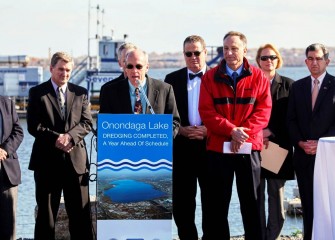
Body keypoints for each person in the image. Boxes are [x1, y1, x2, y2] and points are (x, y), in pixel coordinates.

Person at [198, 31, 272, 240]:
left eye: (234, 48)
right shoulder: (210, 77)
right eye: (225, 49)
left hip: (249, 149)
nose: (229, 53)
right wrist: (231, 130)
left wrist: (241, 135)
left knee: (253, 203)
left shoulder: (258, 77)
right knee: (217, 205)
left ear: (245, 50)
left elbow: (263, 112)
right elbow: (207, 112)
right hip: (218, 149)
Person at [27, 51, 94, 240]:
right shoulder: (37, 93)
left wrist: (70, 137)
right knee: (46, 219)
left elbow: (87, 123)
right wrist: (58, 139)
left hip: (76, 164)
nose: (64, 74)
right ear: (51, 69)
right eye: (61, 69)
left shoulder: (81, 93)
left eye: (68, 70)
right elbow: (34, 126)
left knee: (80, 218)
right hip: (47, 164)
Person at [287, 43, 335, 240]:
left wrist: (321, 143)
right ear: (306, 61)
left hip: (329, 157)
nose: (314, 63)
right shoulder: (297, 87)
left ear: (327, 61)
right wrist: (300, 143)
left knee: (330, 203)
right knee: (307, 204)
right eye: (310, 59)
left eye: (318, 58)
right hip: (303, 156)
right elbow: (290, 120)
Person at [164, 35, 209, 240]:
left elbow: (227, 114)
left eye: (197, 52)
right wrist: (180, 130)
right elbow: (165, 115)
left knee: (213, 204)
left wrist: (209, 130)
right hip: (181, 150)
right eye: (188, 53)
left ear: (205, 52)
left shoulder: (218, 78)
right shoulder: (171, 80)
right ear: (183, 55)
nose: (193, 57)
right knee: (182, 206)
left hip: (211, 149)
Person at [256, 43, 295, 240]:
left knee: (276, 200)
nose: (268, 61)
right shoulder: (251, 83)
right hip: (254, 148)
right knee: (255, 198)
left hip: (277, 148)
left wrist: (270, 131)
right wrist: (257, 133)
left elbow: (293, 118)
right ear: (258, 61)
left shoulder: (289, 85)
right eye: (264, 58)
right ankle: (258, 236)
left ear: (277, 60)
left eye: (272, 57)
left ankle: (272, 237)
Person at [99, 48, 180, 137]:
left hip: (153, 148)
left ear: (147, 67)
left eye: (139, 66)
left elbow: (174, 122)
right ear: (125, 68)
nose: (134, 70)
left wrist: (161, 137)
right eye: (130, 66)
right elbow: (103, 125)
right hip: (123, 148)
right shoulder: (109, 91)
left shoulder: (164, 89)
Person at [0, 96, 24, 240]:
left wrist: (4, 150)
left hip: (7, 172)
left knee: (8, 225)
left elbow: (18, 132)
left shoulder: (7, 103)